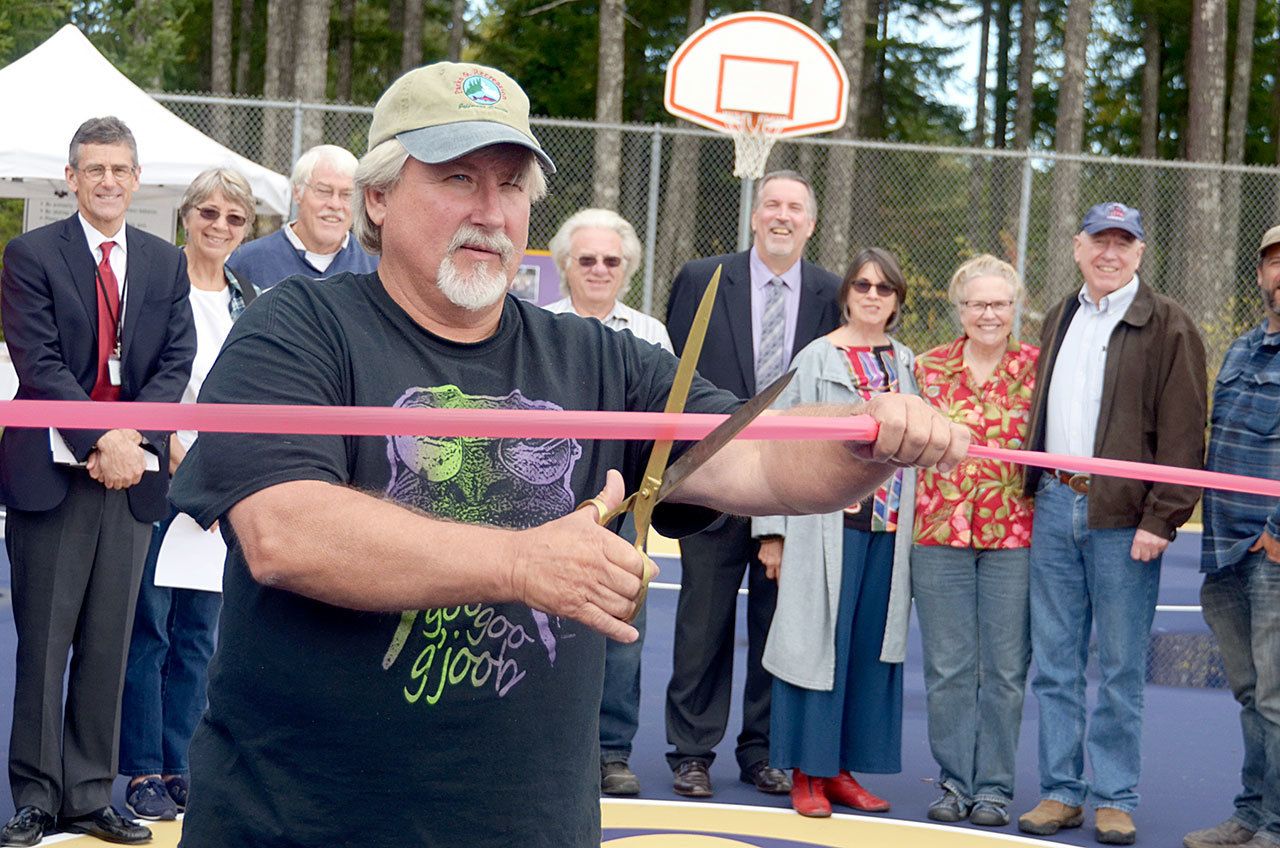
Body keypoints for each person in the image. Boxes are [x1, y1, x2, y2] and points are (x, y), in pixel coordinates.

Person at [166, 61, 969, 848]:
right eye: (457, 178)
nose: (491, 210)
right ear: (378, 197)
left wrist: (870, 440)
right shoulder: (296, 326)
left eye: (511, 184)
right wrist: (522, 565)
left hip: (530, 824)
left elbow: (756, 463)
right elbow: (284, 531)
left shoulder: (602, 359)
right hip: (303, 820)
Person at [0, 116, 195, 847]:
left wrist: (133, 440)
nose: (108, 181)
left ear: (137, 178)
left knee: (112, 643)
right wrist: (102, 437)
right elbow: (38, 361)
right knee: (44, 643)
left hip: (129, 477)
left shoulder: (163, 262)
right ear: (72, 179)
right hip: (54, 474)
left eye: (120, 169)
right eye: (94, 170)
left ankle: (89, 794)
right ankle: (36, 797)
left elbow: (175, 363)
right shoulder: (30, 255)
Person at [1018, 202, 1206, 845]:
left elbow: (1185, 435)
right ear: (1078, 247)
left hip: (1124, 519)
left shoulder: (1168, 324)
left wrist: (1163, 517)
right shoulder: (1060, 317)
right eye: (1101, 240)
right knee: (1056, 660)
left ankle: (1116, 795)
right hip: (1054, 505)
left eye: (1124, 243)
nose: (1111, 253)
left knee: (1122, 664)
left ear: (1140, 252)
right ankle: (1061, 791)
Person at [663, 170, 841, 799]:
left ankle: (760, 749)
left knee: (776, 622)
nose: (782, 216)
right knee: (702, 621)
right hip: (714, 478)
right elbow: (672, 375)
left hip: (789, 484)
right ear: (754, 215)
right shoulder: (701, 279)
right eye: (772, 205)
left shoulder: (830, 293)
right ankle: (691, 750)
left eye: (795, 207)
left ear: (811, 223)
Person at [752, 248, 916, 818]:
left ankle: (843, 770)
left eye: (885, 288)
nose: (873, 295)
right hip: (826, 526)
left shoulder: (905, 360)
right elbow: (775, 442)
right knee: (816, 647)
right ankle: (806, 773)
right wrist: (771, 532)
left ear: (897, 301)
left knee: (868, 652)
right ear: (846, 292)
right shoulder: (817, 357)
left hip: (888, 530)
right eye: (863, 285)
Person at [118, 168, 258, 822]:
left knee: (199, 633)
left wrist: (221, 472)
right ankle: (143, 766)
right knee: (147, 627)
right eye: (209, 212)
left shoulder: (250, 298)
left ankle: (180, 762)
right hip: (157, 472)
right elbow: (139, 377)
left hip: (219, 480)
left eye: (234, 217)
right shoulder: (153, 283)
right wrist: (173, 448)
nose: (219, 227)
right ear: (185, 216)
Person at [544, 208, 671, 796]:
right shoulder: (534, 327)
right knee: (542, 629)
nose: (598, 269)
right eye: (587, 259)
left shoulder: (651, 336)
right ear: (566, 265)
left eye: (611, 261)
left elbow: (667, 425)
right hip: (552, 503)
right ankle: (545, 745)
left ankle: (612, 753)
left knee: (622, 635)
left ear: (627, 269)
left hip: (628, 512)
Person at [911, 254, 1038, 827]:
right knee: (949, 667)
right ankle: (955, 782)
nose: (989, 313)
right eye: (978, 303)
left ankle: (994, 787)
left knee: (1006, 669)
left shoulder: (1039, 369)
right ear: (959, 309)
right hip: (939, 533)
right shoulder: (925, 369)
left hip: (1015, 535)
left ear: (1015, 308)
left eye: (1000, 303)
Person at [1182, 225, 1280, 848]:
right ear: (1262, 274)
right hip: (1224, 553)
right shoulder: (1243, 349)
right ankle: (1251, 813)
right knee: (1251, 696)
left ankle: (1273, 823)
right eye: (1274, 261)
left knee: (1276, 699)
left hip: (1271, 551)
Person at [226, 144, 377, 287]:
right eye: (324, 191)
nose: (335, 204)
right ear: (297, 192)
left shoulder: (376, 266)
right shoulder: (249, 262)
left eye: (347, 195)